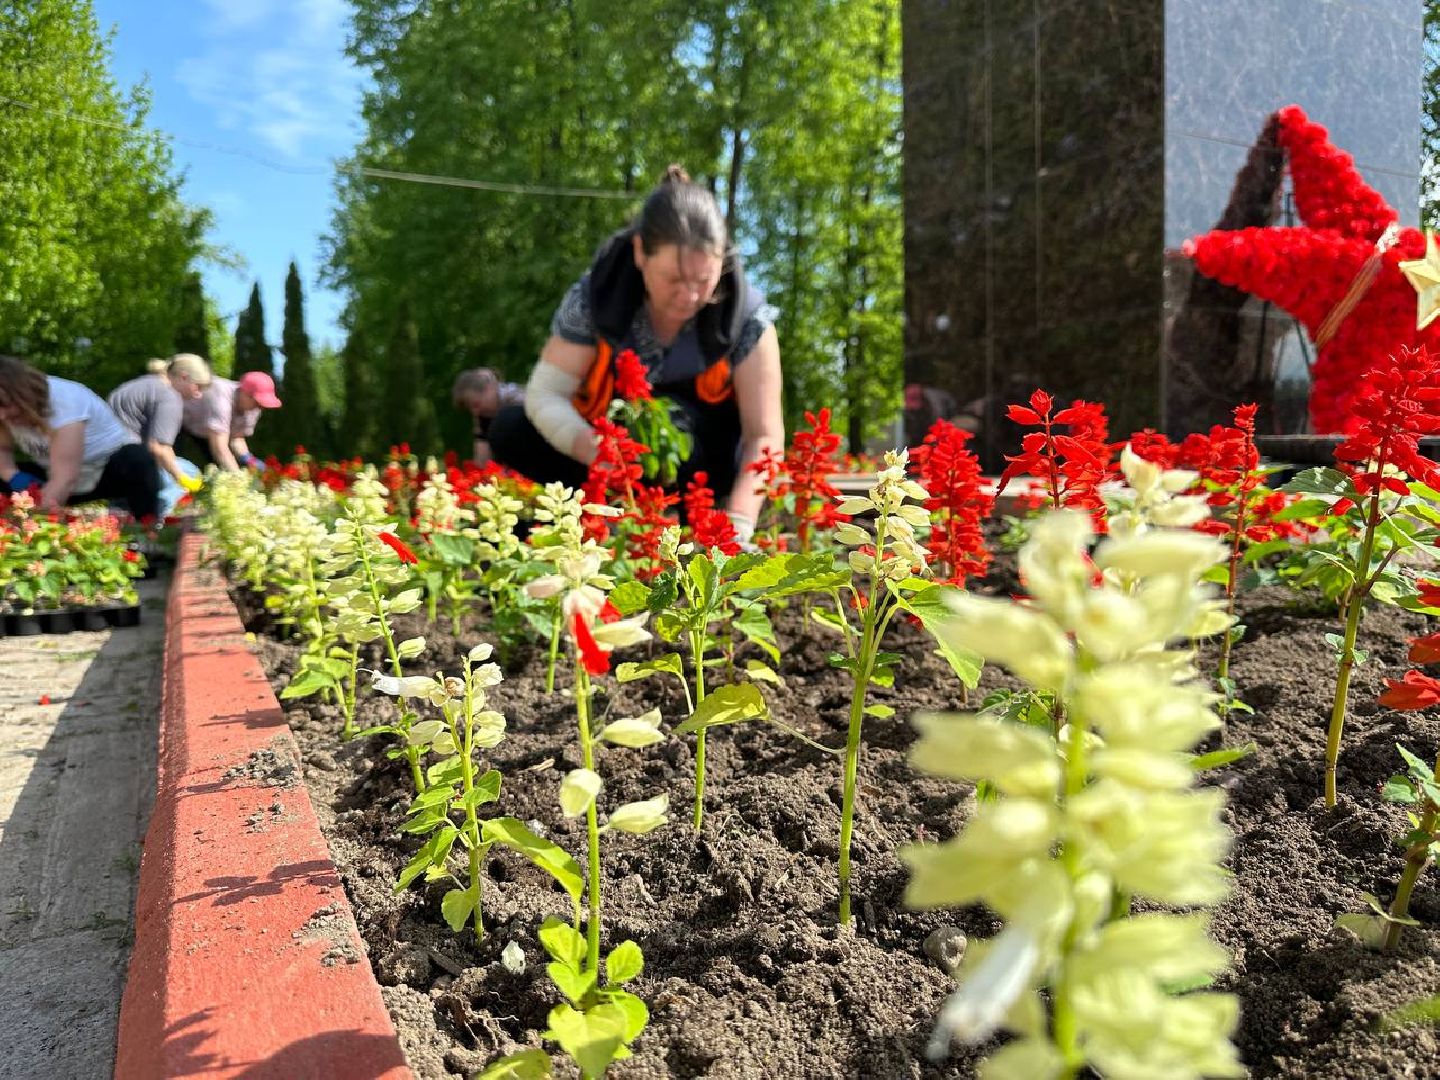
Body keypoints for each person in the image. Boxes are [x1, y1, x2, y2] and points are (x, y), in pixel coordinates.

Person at [488, 165, 784, 542]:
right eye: (674, 279)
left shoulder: (748, 316)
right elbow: (545, 395)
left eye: (704, 279)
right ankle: (603, 517)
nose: (691, 296)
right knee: (509, 428)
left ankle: (681, 524)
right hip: (609, 452)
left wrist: (738, 527)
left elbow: (765, 436)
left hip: (704, 462)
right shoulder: (596, 296)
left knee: (676, 428)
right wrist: (599, 455)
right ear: (641, 252)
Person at [0, 355, 160, 520]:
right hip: (50, 471)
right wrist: (13, 476)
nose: (2, 415)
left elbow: (64, 478)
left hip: (104, 469)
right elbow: (2, 449)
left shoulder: (64, 401)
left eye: (6, 405)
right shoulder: (3, 413)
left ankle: (148, 529)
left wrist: (36, 523)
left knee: (138, 458)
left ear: (22, 393)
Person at [109, 354, 211, 512]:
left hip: (105, 464)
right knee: (190, 471)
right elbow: (158, 448)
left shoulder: (143, 384)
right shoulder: (169, 397)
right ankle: (156, 523)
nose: (198, 394)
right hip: (128, 466)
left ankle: (121, 511)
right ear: (184, 377)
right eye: (198, 386)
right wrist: (183, 479)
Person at [180, 370, 282, 471]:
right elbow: (220, 448)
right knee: (178, 466)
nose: (259, 408)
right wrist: (238, 479)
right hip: (178, 420)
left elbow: (236, 439)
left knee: (216, 469)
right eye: (257, 402)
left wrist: (250, 460)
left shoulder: (254, 408)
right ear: (244, 393)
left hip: (204, 430)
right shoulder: (221, 398)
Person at [451, 367, 524, 466]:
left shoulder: (518, 400)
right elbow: (482, 463)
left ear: (488, 389)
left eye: (476, 405)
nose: (475, 413)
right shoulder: (483, 418)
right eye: (471, 410)